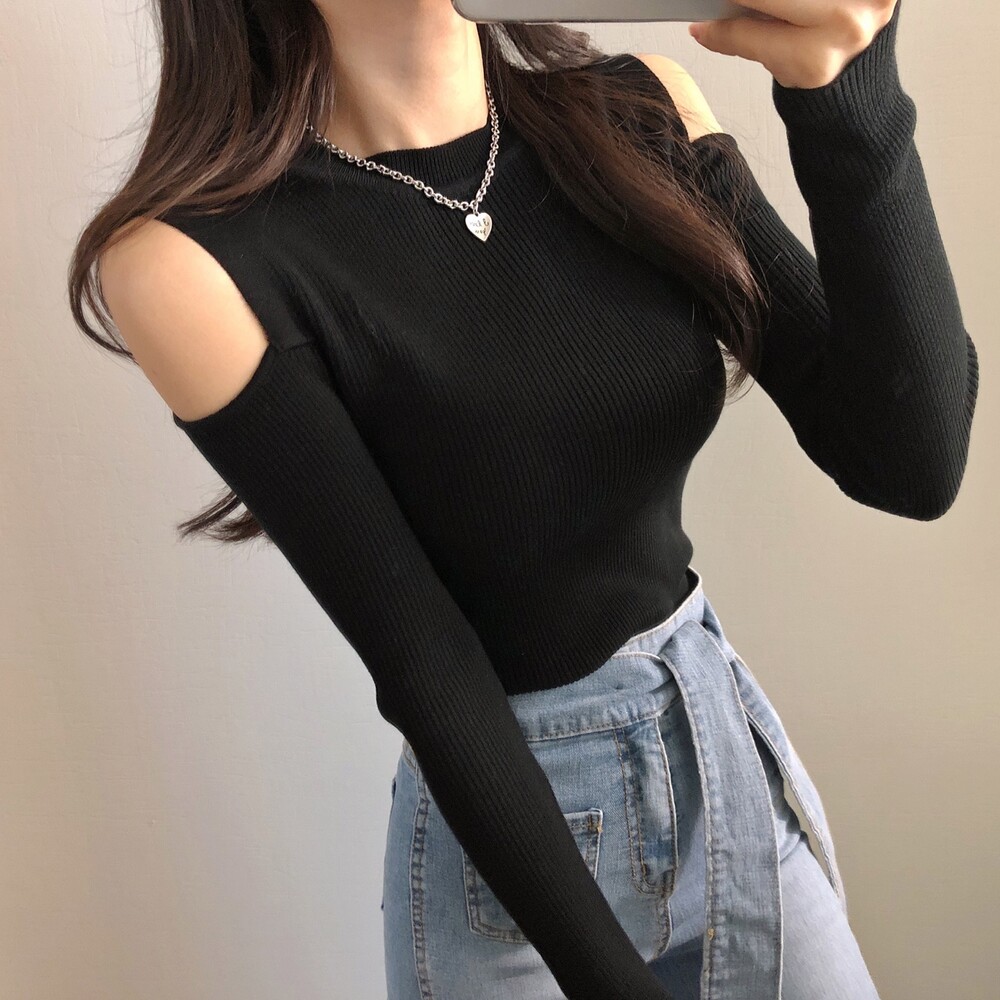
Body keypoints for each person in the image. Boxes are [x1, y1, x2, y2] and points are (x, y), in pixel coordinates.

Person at [82, 0, 977, 997]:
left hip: (720, 762)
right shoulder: (193, 264)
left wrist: (847, 93)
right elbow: (425, 662)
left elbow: (908, 460)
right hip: (510, 871)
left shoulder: (637, 113)